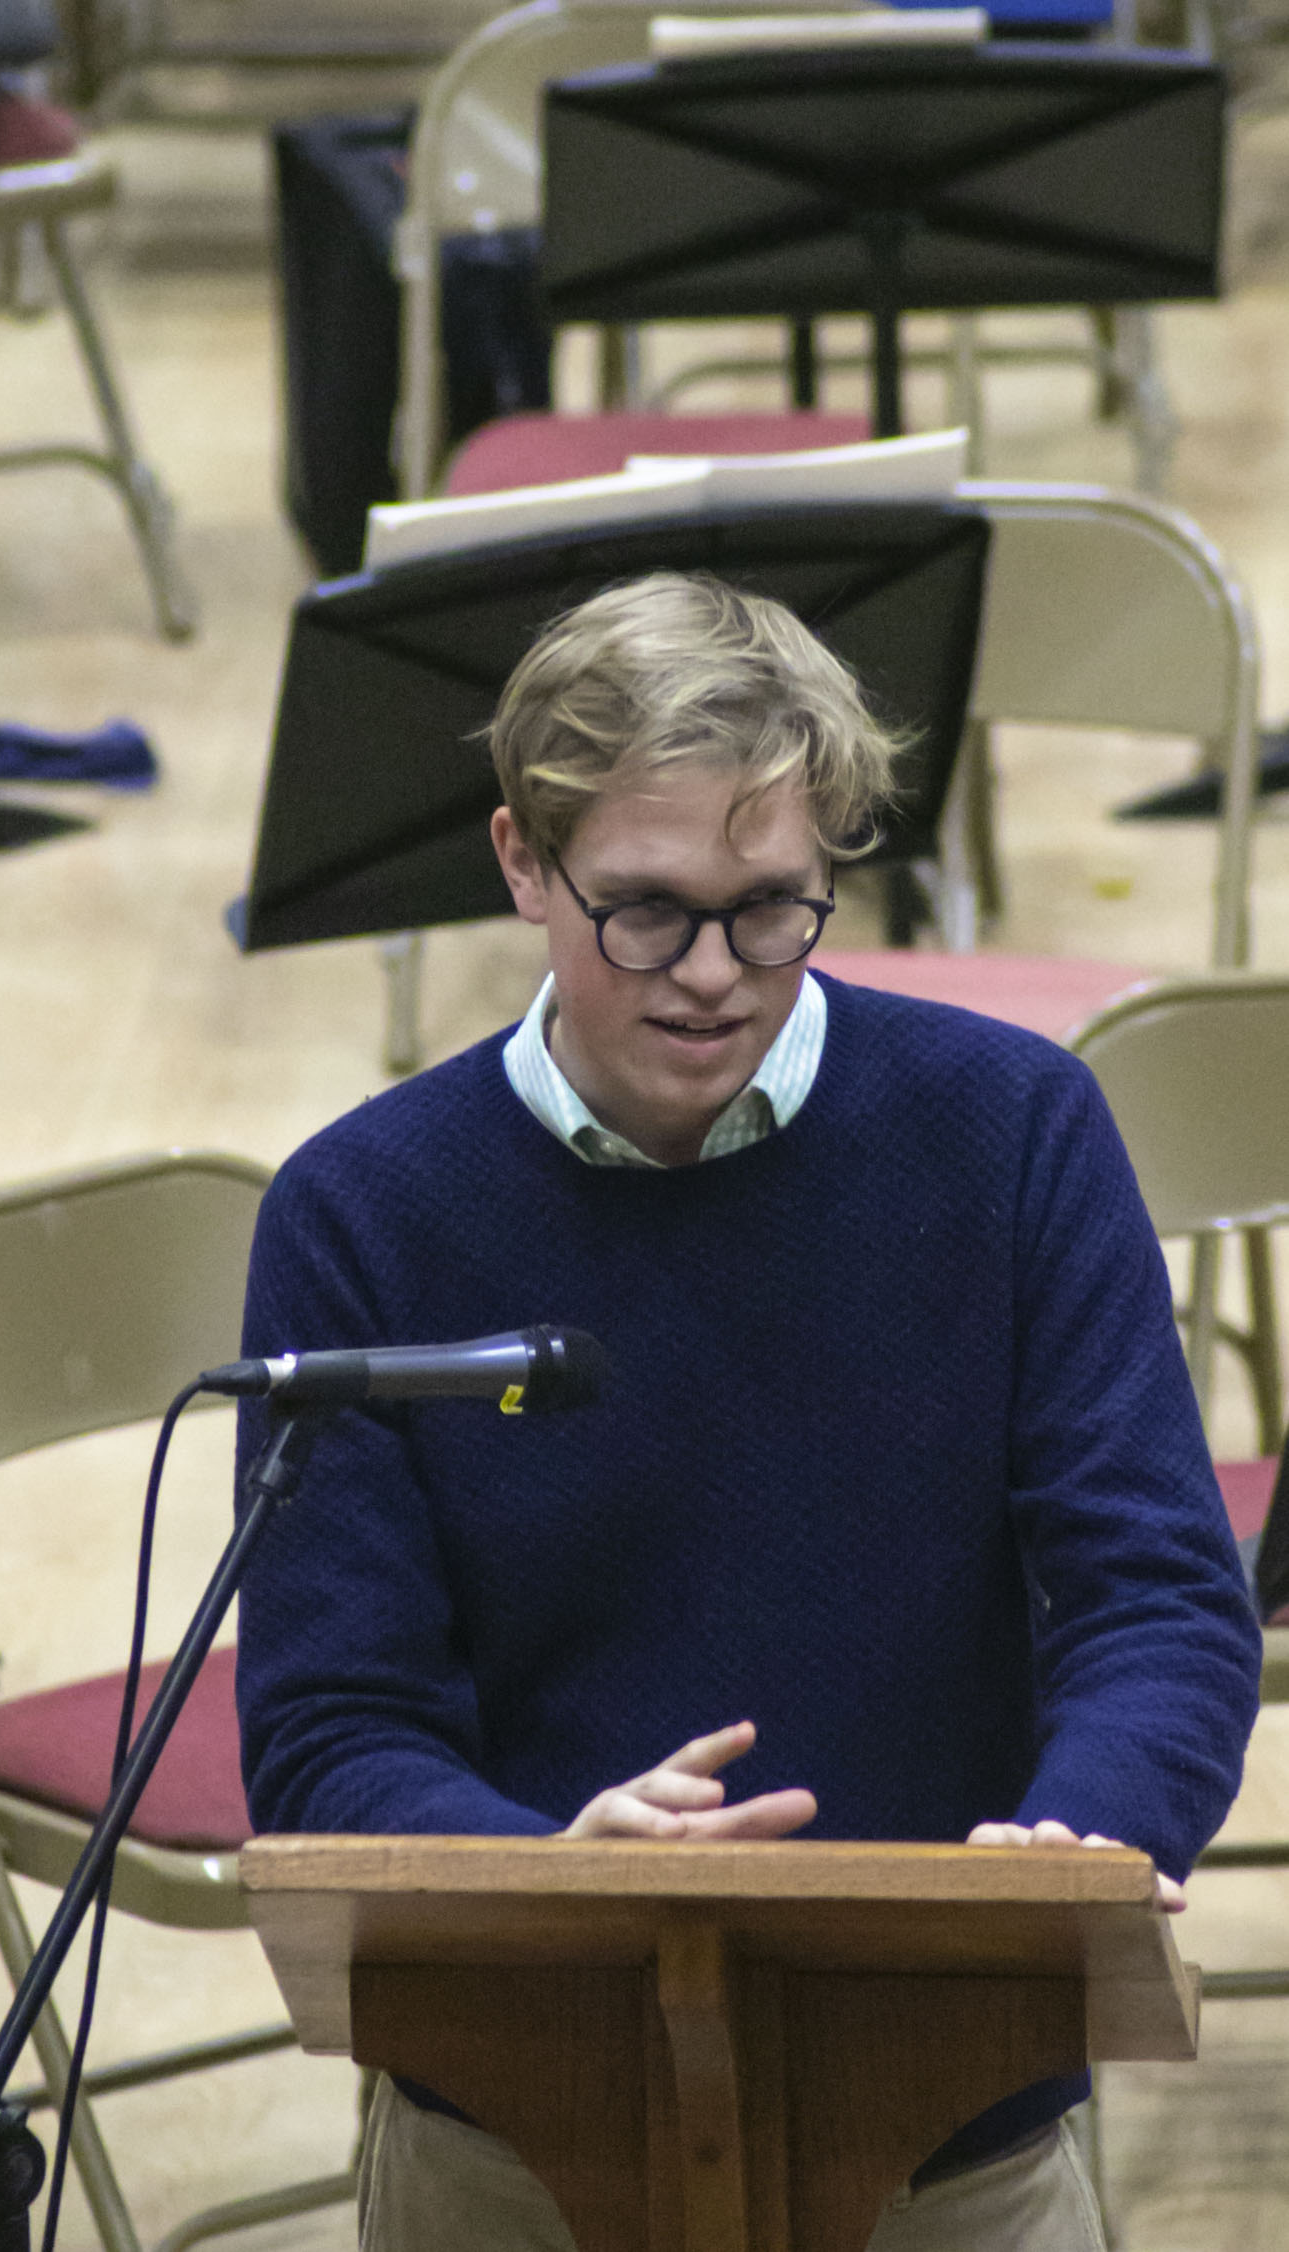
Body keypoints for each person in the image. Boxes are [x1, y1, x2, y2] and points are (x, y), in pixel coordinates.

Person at [234, 572, 1260, 2252]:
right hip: (517, 2126)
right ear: (520, 863)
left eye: (772, 909)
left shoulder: (1010, 1135)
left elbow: (1154, 1595)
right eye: (645, 911)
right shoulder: (364, 1213)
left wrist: (1076, 1838)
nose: (712, 975)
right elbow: (331, 1724)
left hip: (955, 2113)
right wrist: (544, 1879)